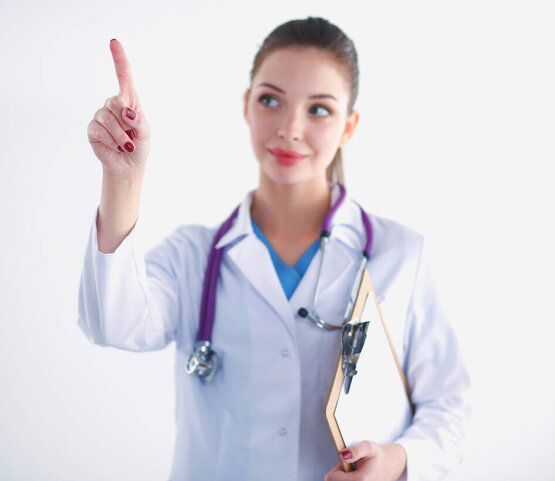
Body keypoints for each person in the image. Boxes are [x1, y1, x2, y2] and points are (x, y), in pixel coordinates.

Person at [79, 17, 471, 481]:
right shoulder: (195, 256)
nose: (289, 128)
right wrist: (122, 179)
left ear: (350, 125)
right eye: (271, 100)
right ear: (247, 105)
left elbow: (449, 406)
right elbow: (110, 322)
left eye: (319, 109)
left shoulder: (402, 254)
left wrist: (401, 459)